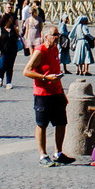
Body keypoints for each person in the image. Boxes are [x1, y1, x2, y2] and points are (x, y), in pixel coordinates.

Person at [26, 23, 71, 163]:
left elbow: (56, 71)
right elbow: (26, 71)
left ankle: (58, 153)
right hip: (42, 93)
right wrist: (45, 78)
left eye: (58, 35)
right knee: (42, 124)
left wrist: (63, 93)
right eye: (55, 35)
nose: (57, 37)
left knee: (61, 123)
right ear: (46, 37)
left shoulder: (55, 50)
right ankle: (43, 155)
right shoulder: (40, 51)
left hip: (56, 92)